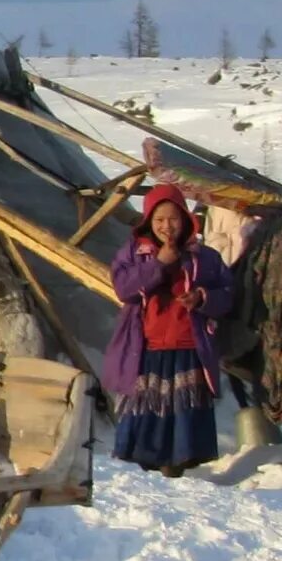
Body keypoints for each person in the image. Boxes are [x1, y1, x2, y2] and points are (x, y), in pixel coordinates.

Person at [104, 184, 233, 476]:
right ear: (148, 220)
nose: (167, 226)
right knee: (148, 407)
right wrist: (158, 265)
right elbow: (124, 289)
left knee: (183, 410)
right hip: (147, 345)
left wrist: (202, 297)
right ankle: (145, 466)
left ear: (186, 219)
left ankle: (179, 465)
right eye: (159, 220)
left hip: (189, 345)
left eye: (173, 219)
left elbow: (227, 293)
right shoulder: (135, 254)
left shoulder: (205, 257)